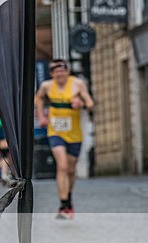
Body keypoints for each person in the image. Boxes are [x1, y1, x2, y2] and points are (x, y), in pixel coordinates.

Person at [35, 59, 94, 219]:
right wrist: (41, 116)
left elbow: (90, 103)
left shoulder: (77, 84)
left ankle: (68, 197)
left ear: (68, 72)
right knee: (62, 166)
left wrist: (80, 102)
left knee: (71, 169)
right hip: (55, 132)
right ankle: (63, 204)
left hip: (74, 134)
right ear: (51, 74)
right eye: (56, 72)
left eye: (62, 71)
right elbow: (38, 99)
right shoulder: (46, 86)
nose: (60, 74)